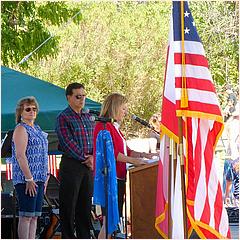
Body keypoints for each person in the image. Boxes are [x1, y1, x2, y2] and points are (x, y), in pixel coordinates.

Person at [93, 93, 158, 238]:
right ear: (115, 108)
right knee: (108, 220)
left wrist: (143, 155)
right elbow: (114, 154)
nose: (125, 112)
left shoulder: (115, 128)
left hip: (120, 177)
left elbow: (125, 150)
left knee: (113, 220)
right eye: (123, 109)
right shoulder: (103, 126)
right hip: (110, 178)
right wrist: (135, 162)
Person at [56, 82, 94, 239]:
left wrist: (93, 157)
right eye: (78, 96)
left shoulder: (88, 116)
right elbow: (67, 142)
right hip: (72, 165)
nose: (82, 99)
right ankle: (68, 236)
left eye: (84, 96)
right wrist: (86, 158)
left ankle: (84, 236)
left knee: (85, 205)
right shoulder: (63, 117)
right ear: (68, 98)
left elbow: (94, 139)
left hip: (88, 165)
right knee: (69, 206)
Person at [6, 96, 49, 239]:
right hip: (26, 179)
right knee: (26, 216)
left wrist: (46, 176)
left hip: (39, 178)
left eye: (34, 109)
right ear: (21, 112)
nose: (32, 111)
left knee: (35, 216)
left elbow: (43, 154)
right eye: (28, 109)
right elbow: (20, 155)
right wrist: (29, 178)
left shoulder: (37, 128)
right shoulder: (20, 129)